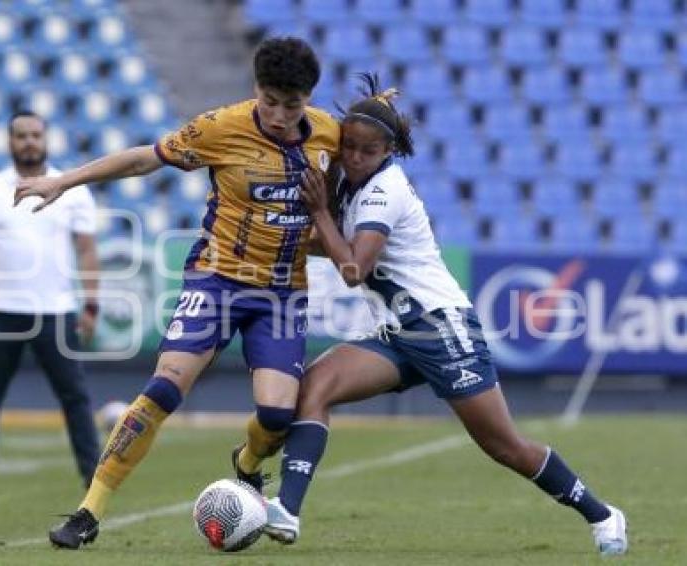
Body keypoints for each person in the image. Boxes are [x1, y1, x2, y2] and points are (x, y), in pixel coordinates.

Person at [262, 74, 628, 556]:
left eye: (367, 151)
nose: (353, 157)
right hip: (396, 333)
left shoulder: (384, 190)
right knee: (314, 387)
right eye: (349, 146)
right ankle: (286, 510)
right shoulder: (348, 185)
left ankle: (602, 515)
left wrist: (320, 215)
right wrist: (274, 236)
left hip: (441, 328)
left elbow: (352, 268)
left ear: (388, 151)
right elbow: (330, 246)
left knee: (504, 447)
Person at [13, 37, 340, 549]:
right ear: (256, 88)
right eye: (268, 101)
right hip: (216, 280)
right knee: (165, 385)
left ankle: (247, 463)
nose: (277, 115)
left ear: (309, 100)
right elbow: (146, 159)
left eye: (290, 105)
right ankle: (88, 510)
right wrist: (68, 181)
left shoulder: (329, 136)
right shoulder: (221, 127)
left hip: (281, 294)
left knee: (277, 416)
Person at [0, 110, 102, 493]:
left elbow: (87, 251)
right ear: (10, 141)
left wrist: (91, 305)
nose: (29, 142)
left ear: (46, 138)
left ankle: (94, 476)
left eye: (36, 134)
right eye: (21, 135)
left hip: (55, 311)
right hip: (0, 310)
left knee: (75, 396)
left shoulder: (73, 189)